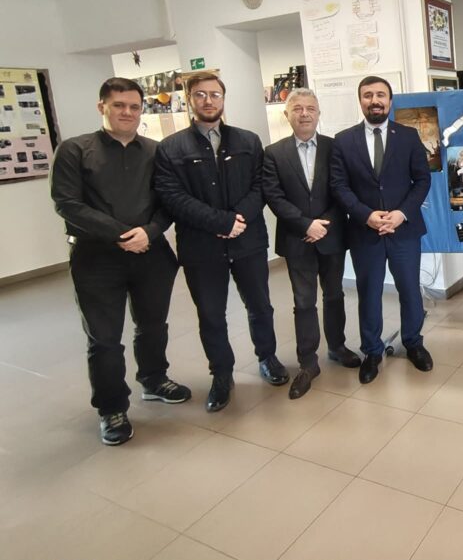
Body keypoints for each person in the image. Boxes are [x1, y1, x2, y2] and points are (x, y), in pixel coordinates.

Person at [50, 77, 190, 446]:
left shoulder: (156, 151)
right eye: (118, 105)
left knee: (153, 325)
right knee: (105, 339)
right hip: (96, 258)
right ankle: (111, 408)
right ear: (102, 107)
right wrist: (123, 234)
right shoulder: (74, 150)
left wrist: (151, 232)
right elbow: (67, 204)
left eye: (134, 106)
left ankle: (154, 379)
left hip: (151, 254)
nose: (127, 112)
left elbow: (169, 201)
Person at [154, 72, 288, 412]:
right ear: (189, 99)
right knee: (211, 314)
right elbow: (172, 197)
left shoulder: (248, 141)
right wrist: (221, 222)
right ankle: (221, 375)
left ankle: (268, 357)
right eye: (200, 95)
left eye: (215, 94)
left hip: (248, 241)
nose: (208, 101)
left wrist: (237, 220)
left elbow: (261, 186)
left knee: (260, 306)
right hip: (201, 247)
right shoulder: (170, 148)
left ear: (223, 99)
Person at [329, 75, 432, 384]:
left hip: (403, 230)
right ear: (360, 100)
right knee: (369, 293)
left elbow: (422, 180)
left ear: (390, 100)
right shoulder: (343, 140)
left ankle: (413, 342)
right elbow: (339, 186)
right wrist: (366, 215)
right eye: (368, 95)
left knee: (409, 290)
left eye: (380, 95)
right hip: (365, 232)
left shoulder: (409, 136)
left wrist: (401, 214)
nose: (374, 100)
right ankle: (372, 352)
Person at [263, 88, 360, 400]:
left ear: (319, 113)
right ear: (287, 114)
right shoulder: (273, 153)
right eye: (297, 109)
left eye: (310, 108)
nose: (304, 114)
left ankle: (337, 347)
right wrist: (305, 224)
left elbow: (342, 190)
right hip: (297, 238)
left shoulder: (335, 148)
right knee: (303, 301)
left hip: (332, 235)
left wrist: (323, 224)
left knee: (334, 295)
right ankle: (307, 361)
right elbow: (273, 196)